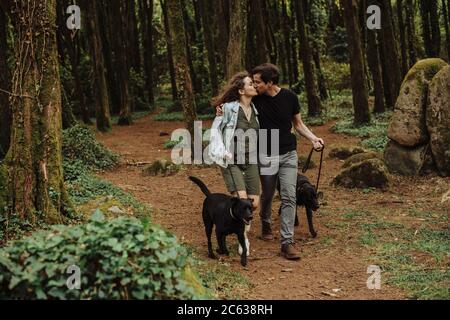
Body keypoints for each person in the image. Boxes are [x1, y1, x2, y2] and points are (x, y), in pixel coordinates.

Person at [217, 63, 324, 261]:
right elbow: (235, 104)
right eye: (253, 82)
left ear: (270, 82)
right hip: (265, 154)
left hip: (288, 153)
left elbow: (298, 124)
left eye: (258, 82)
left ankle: (286, 242)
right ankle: (265, 221)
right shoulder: (255, 100)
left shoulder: (290, 97)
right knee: (266, 194)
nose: (255, 85)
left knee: (289, 195)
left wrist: (313, 138)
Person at [208, 72, 261, 215]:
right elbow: (215, 130)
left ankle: (232, 217)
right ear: (241, 91)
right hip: (231, 159)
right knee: (242, 200)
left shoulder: (256, 109)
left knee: (254, 203)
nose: (254, 85)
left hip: (251, 160)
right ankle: (239, 232)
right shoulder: (228, 109)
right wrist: (221, 151)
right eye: (250, 84)